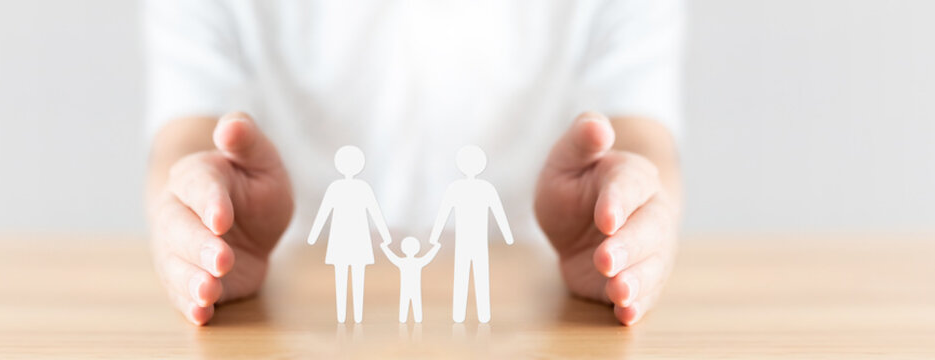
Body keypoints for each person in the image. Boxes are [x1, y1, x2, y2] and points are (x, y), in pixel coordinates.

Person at [144, 0, 683, 326]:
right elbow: (188, 124)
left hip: (532, 306)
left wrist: (626, 211)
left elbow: (640, 124)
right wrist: (202, 211)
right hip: (298, 308)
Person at [305, 146, 392, 323]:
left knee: (347, 275)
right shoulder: (350, 188)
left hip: (352, 238)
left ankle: (351, 316)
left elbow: (374, 211)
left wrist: (385, 234)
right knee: (347, 275)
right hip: (345, 239)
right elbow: (325, 211)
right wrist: (385, 236)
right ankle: (346, 315)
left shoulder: (351, 188)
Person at [428, 145, 514, 323]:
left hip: (475, 242)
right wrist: (435, 236)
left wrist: (507, 235)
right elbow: (444, 212)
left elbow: (497, 211)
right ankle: (468, 315)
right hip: (468, 242)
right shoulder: (473, 188)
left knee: (470, 274)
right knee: (470, 275)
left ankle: (476, 315)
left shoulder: (467, 188)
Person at [380, 236, 441, 323]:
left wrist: (384, 247)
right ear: (417, 248)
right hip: (413, 288)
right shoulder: (417, 262)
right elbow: (428, 257)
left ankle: (405, 319)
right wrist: (436, 247)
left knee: (406, 303)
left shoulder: (402, 262)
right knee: (415, 303)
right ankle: (414, 319)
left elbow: (392, 257)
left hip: (408, 288)